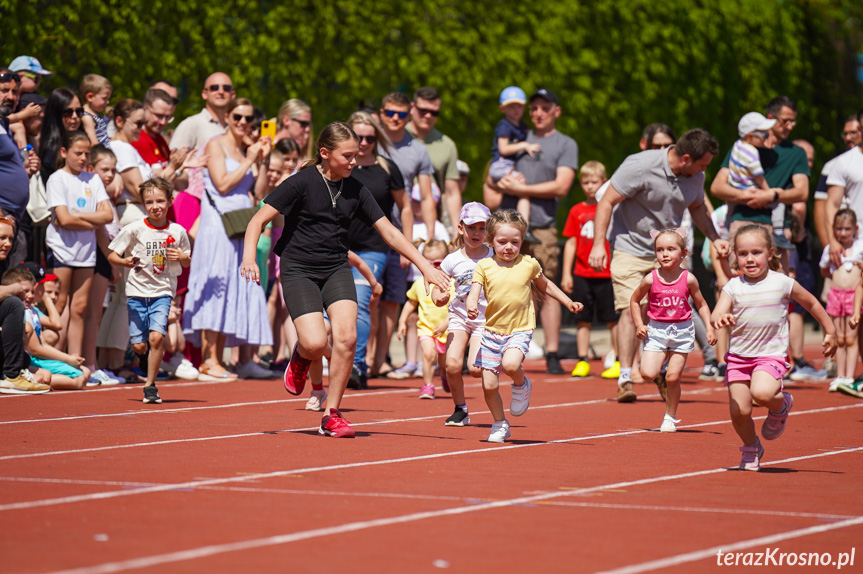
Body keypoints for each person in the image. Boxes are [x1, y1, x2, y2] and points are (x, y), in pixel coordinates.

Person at [240, 122, 451, 439]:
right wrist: (247, 258)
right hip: (299, 268)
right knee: (313, 342)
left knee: (347, 337)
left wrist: (425, 267)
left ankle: (331, 414)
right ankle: (301, 354)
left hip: (337, 267)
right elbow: (258, 219)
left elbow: (390, 232)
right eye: (348, 156)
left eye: (357, 155)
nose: (355, 161)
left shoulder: (356, 188)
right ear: (325, 153)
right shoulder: (301, 183)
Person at [589, 128, 728, 402]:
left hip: (668, 252)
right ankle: (626, 377)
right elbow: (606, 202)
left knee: (667, 311)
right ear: (686, 158)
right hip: (629, 247)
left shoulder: (694, 175)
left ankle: (661, 370)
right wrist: (597, 245)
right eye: (702, 164)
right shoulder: (640, 165)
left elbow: (698, 207)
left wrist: (715, 238)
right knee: (631, 309)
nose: (704, 171)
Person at [711, 224, 835, 471]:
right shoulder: (733, 286)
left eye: (756, 252)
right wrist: (719, 318)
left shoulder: (782, 282)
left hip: (769, 355)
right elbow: (717, 313)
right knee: (739, 411)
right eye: (743, 253)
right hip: (738, 358)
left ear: (770, 253)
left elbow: (811, 302)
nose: (749, 259)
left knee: (763, 393)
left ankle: (781, 406)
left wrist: (830, 330)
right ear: (735, 255)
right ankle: (751, 447)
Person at [466, 209, 583, 443]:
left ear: (522, 241)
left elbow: (546, 285)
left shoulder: (529, 264)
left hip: (520, 328)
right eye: (502, 242)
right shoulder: (485, 266)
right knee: (488, 385)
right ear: (491, 241)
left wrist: (568, 301)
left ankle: (521, 384)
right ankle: (500, 423)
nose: (508, 247)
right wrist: (470, 303)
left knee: (510, 364)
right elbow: (474, 291)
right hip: (491, 331)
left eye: (515, 242)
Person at [486, 89, 579, 375]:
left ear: (556, 111)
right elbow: (490, 186)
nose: (538, 113)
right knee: (496, 285)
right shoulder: (515, 136)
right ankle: (490, 346)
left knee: (546, 288)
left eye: (544, 108)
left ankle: (552, 352)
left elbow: (562, 186)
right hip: (506, 230)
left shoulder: (565, 143)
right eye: (534, 108)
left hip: (542, 227)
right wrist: (500, 184)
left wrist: (520, 190)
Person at [184, 98, 274, 381]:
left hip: (239, 227)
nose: (243, 123)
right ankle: (209, 360)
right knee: (216, 285)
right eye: (237, 117)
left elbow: (257, 193)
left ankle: (220, 358)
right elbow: (221, 184)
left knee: (232, 288)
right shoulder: (215, 143)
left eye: (249, 119)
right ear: (228, 116)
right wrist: (249, 159)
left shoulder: (247, 149)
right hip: (216, 226)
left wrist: (264, 158)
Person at [109, 177, 192, 404]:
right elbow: (112, 254)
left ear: (170, 201)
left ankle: (150, 386)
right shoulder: (134, 229)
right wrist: (125, 262)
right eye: (149, 202)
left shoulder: (178, 231)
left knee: (156, 338)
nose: (155, 206)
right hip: (136, 292)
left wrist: (183, 257)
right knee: (140, 344)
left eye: (160, 201)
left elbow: (186, 261)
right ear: (143, 204)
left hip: (163, 291)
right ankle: (142, 356)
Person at [346, 111, 409, 386]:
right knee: (331, 309)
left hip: (374, 247)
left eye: (370, 138)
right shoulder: (338, 165)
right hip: (336, 246)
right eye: (358, 137)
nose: (363, 143)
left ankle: (357, 367)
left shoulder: (386, 167)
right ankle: (329, 359)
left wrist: (407, 244)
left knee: (360, 303)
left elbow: (405, 207)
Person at [629, 229, 715, 432]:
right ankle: (661, 363)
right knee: (648, 374)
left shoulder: (689, 279)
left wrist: (709, 328)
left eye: (670, 249)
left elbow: (702, 305)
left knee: (673, 378)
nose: (665, 254)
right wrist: (639, 325)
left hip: (682, 331)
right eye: (660, 250)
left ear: (684, 253)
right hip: (657, 330)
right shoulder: (650, 279)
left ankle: (670, 416)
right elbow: (634, 300)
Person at [711, 96, 810, 272]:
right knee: (740, 287)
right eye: (786, 121)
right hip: (741, 223)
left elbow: (802, 192)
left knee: (777, 293)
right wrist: (747, 196)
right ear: (771, 119)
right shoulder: (742, 147)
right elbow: (717, 187)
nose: (791, 126)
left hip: (776, 228)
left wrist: (773, 195)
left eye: (793, 121)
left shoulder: (796, 153)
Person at [45, 130, 113, 361]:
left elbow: (107, 216)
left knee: (80, 307)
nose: (83, 158)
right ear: (64, 152)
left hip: (86, 252)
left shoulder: (92, 179)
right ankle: (52, 358)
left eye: (87, 153)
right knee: (60, 303)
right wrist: (90, 218)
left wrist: (80, 216)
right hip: (62, 249)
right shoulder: (57, 179)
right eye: (78, 153)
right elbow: (64, 219)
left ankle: (76, 360)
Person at [432, 201, 492, 426]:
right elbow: (436, 284)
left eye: (482, 227)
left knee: (476, 369)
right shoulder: (452, 259)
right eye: (471, 227)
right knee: (452, 365)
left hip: (484, 319)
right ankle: (460, 409)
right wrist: (438, 296)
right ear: (460, 229)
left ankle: (502, 360)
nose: (476, 233)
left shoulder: (495, 256)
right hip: (458, 317)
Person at [561, 161, 619, 378]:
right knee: (582, 318)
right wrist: (567, 273)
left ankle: (617, 359)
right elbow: (571, 242)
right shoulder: (576, 210)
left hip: (607, 273)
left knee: (612, 318)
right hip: (582, 273)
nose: (589, 186)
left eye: (594, 182)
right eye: (585, 182)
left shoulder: (611, 208)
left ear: (604, 182)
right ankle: (582, 359)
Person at [8, 265, 91, 390]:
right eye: (41, 286)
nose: (30, 295)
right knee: (78, 378)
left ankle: (34, 378)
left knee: (84, 372)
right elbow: (36, 349)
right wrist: (68, 359)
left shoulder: (32, 310)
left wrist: (46, 297)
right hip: (26, 360)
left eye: (33, 290)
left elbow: (55, 327)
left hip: (31, 359)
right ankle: (30, 379)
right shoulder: (19, 312)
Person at [0, 216, 51, 394]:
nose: (7, 243)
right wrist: (15, 287)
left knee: (25, 360)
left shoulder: (3, 264)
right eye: (2, 238)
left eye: (11, 239)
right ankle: (12, 376)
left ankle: (12, 372)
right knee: (13, 303)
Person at [728, 112, 792, 249]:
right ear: (751, 136)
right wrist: (769, 193)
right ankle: (779, 233)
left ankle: (724, 232)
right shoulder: (752, 153)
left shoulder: (737, 145)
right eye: (764, 135)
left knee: (729, 212)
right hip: (751, 189)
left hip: (736, 187)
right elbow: (759, 177)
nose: (766, 138)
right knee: (779, 201)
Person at [397, 239, 451, 399]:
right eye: (428, 262)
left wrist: (445, 324)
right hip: (426, 328)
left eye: (438, 262)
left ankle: (444, 374)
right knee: (427, 354)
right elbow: (410, 303)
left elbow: (456, 307)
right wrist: (402, 321)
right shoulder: (419, 283)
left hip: (446, 329)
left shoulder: (451, 283)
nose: (434, 266)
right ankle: (428, 385)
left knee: (444, 361)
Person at [405, 87, 463, 234]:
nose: (428, 115)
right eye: (423, 110)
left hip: (432, 224)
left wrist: (457, 231)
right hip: (397, 220)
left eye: (434, 112)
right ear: (412, 108)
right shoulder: (396, 137)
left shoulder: (447, 144)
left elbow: (452, 192)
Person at [487, 86, 541, 243]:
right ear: (502, 109)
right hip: (501, 165)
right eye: (511, 106)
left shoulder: (521, 126)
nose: (515, 110)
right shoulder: (504, 125)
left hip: (505, 165)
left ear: (524, 107)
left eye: (518, 106)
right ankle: (525, 227)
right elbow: (503, 148)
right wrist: (524, 145)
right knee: (523, 189)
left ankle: (520, 225)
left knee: (521, 191)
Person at [818, 209, 862, 390]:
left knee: (851, 338)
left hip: (853, 295)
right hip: (836, 294)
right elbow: (823, 269)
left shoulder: (860, 247)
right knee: (839, 337)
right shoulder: (831, 249)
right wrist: (834, 275)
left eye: (846, 229)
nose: (842, 233)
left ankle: (849, 377)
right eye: (839, 229)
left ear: (855, 229)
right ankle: (840, 375)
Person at [170, 72, 234, 152]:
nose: (221, 92)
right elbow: (175, 159)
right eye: (214, 87)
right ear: (204, 94)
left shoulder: (237, 125)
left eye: (226, 88)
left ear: (233, 95)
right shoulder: (192, 123)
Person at [80, 74, 113, 148]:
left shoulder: (96, 114)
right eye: (104, 98)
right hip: (99, 156)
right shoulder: (87, 117)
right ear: (90, 97)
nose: (107, 102)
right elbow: (93, 143)